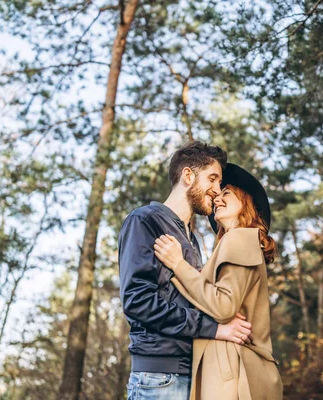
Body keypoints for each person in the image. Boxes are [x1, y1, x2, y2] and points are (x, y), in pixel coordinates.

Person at [118, 142, 254, 400]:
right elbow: (138, 302)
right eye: (212, 179)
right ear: (188, 176)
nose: (217, 191)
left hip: (190, 374)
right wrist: (213, 328)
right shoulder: (145, 221)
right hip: (158, 378)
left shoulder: (189, 238)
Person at [154, 163, 283, 400]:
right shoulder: (236, 243)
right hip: (232, 366)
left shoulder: (240, 239)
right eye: (217, 195)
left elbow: (223, 307)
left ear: (246, 203)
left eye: (227, 194)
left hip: (231, 371)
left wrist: (177, 264)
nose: (217, 199)